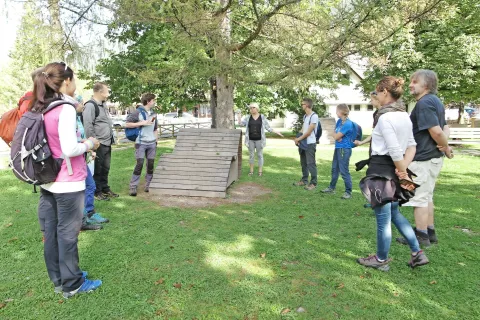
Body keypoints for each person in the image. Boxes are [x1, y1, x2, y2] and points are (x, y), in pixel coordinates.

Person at [33, 62, 102, 298]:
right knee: (67, 234)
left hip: (47, 179)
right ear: (67, 82)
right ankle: (73, 284)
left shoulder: (42, 106)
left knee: (51, 233)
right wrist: (90, 144)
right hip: (68, 181)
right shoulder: (66, 108)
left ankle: (59, 280)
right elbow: (69, 148)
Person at [357, 76, 429, 271]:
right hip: (396, 169)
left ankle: (381, 259)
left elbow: (395, 149)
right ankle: (417, 252)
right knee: (394, 213)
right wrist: (402, 170)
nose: (376, 96)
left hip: (382, 170)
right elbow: (412, 145)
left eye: (377, 92)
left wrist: (402, 171)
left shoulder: (385, 117)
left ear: (385, 92)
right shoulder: (404, 115)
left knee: (383, 218)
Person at [396, 70, 453, 247]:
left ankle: (421, 237)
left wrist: (445, 146)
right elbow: (444, 127)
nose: (411, 85)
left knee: (418, 198)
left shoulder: (425, 103)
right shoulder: (436, 101)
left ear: (426, 85)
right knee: (427, 197)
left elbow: (436, 131)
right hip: (432, 159)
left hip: (422, 159)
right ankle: (430, 232)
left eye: (415, 82)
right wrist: (445, 146)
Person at [74, 96, 110, 228]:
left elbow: (80, 138)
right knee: (87, 186)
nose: (83, 106)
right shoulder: (70, 119)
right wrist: (89, 145)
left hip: (82, 156)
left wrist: (89, 150)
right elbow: (71, 143)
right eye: (81, 103)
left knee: (90, 185)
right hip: (75, 160)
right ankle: (84, 217)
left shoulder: (77, 118)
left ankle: (88, 213)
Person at [83, 82, 119, 201]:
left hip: (107, 142)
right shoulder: (90, 105)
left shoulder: (103, 105)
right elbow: (88, 126)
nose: (108, 93)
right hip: (99, 143)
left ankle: (104, 188)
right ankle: (96, 191)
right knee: (97, 169)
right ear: (100, 92)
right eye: (107, 91)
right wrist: (92, 144)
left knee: (105, 168)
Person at [126, 93, 158, 196]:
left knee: (150, 165)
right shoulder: (137, 112)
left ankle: (148, 184)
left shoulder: (153, 113)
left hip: (152, 143)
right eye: (153, 100)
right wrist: (141, 123)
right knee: (139, 164)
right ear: (148, 101)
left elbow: (155, 128)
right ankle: (133, 186)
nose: (154, 102)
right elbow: (127, 124)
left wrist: (156, 141)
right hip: (141, 143)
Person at [321, 104, 355, 199]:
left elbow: (335, 135)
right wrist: (336, 135)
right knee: (334, 169)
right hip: (338, 148)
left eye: (336, 111)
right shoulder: (339, 121)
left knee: (344, 171)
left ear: (340, 112)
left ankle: (348, 192)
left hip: (344, 149)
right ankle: (331, 188)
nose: (336, 112)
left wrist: (335, 135)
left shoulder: (348, 123)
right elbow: (336, 134)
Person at [242, 102, 283, 176]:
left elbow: (268, 127)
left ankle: (260, 172)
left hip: (259, 140)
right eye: (250, 108)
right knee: (251, 155)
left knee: (260, 155)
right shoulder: (248, 117)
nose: (251, 109)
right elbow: (241, 124)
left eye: (253, 107)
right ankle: (251, 171)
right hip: (250, 139)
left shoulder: (262, 117)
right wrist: (238, 116)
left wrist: (276, 131)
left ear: (257, 108)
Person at [293, 98, 318, 190]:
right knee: (303, 163)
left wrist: (298, 139)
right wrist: (297, 137)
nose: (301, 106)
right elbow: (303, 130)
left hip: (310, 144)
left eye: (302, 104)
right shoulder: (305, 116)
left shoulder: (314, 116)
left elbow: (308, 132)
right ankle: (304, 180)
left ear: (307, 105)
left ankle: (313, 183)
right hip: (303, 143)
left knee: (311, 163)